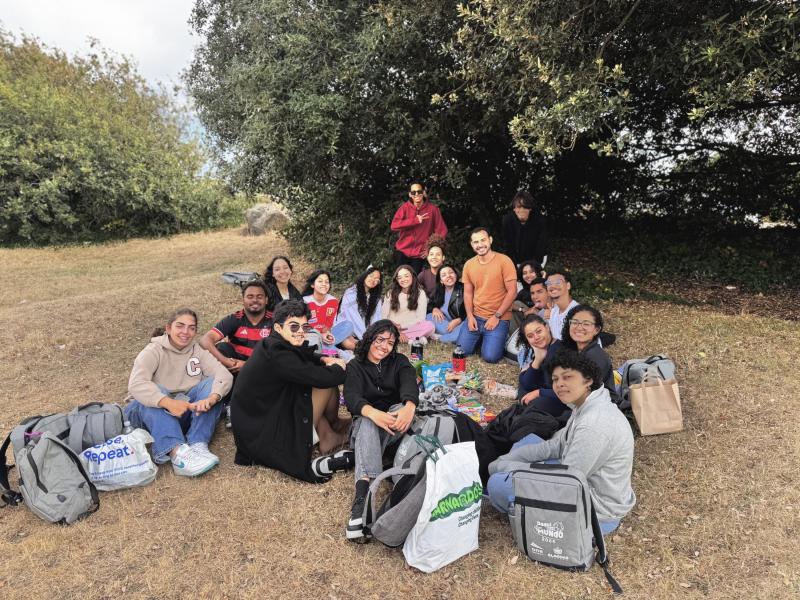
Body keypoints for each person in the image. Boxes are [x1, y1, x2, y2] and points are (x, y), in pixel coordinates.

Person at [487, 350, 635, 535]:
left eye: (567, 377)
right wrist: (507, 460)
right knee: (527, 442)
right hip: (578, 477)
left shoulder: (593, 425)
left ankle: (518, 502)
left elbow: (566, 482)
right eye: (555, 379)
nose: (560, 384)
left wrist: (509, 467)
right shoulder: (585, 404)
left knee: (498, 485)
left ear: (588, 380)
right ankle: (511, 481)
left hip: (596, 511)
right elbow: (556, 446)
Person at [230, 300, 352, 483]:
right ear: (278, 328)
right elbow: (322, 377)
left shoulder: (273, 344)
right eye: (294, 326)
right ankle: (330, 432)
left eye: (305, 326)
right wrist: (341, 366)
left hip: (262, 417)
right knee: (324, 383)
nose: (301, 331)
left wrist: (324, 359)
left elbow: (304, 355)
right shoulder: (278, 353)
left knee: (315, 381)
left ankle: (331, 429)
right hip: (263, 431)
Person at [124, 308, 233, 477]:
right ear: (168, 328)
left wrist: (212, 398)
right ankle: (177, 454)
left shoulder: (197, 351)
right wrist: (168, 402)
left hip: (182, 411)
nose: (185, 332)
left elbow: (223, 375)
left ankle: (197, 444)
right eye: (180, 326)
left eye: (191, 328)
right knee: (158, 390)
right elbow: (136, 384)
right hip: (148, 415)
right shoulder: (153, 350)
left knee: (214, 385)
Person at [342, 320, 419, 541]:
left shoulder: (399, 361)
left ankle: (353, 459)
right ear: (370, 339)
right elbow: (351, 398)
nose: (384, 346)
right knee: (367, 421)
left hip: (394, 429)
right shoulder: (355, 366)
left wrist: (409, 407)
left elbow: (409, 382)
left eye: (390, 343)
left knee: (399, 410)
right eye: (380, 340)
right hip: (364, 428)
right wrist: (373, 413)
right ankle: (362, 501)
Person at [200, 279, 273, 427]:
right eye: (250, 296)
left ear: (266, 300)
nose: (255, 300)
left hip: (261, 368)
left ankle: (239, 405)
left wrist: (247, 365)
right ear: (243, 299)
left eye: (259, 296)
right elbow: (205, 340)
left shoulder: (275, 320)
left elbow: (280, 353)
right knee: (222, 348)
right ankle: (230, 406)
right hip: (234, 368)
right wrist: (226, 361)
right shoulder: (235, 319)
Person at [457, 227, 518, 363]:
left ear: (490, 240)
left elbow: (512, 291)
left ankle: (495, 338)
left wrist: (496, 316)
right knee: (461, 351)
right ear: (472, 244)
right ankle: (483, 339)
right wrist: (470, 316)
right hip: (476, 316)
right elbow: (468, 293)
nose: (480, 245)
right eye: (476, 242)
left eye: (483, 240)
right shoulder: (469, 264)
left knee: (491, 357)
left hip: (499, 317)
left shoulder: (504, 261)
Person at [560, 304, 620, 403]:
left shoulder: (595, 357)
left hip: (598, 406)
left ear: (597, 330)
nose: (579, 327)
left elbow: (582, 392)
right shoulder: (573, 351)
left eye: (586, 324)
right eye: (575, 322)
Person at [514, 315, 568, 419]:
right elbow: (526, 383)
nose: (536, 337)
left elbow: (568, 389)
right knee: (524, 383)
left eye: (539, 331)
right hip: (546, 390)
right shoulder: (540, 349)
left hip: (563, 398)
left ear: (547, 327)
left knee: (536, 404)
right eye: (530, 336)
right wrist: (538, 359)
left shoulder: (561, 351)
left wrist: (539, 392)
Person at [390, 181, 448, 273]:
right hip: (402, 251)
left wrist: (430, 248)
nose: (416, 194)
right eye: (413, 192)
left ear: (423, 192)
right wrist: (415, 220)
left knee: (415, 279)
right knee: (399, 277)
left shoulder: (433, 209)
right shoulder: (404, 208)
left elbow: (442, 230)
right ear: (410, 194)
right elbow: (394, 225)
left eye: (419, 191)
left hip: (419, 253)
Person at [301, 269, 355, 353]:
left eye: (327, 282)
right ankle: (341, 353)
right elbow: (302, 326)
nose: (324, 284)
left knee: (348, 325)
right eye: (320, 281)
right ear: (312, 285)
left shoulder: (333, 301)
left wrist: (327, 334)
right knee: (314, 340)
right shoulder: (305, 301)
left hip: (326, 334)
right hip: (311, 335)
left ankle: (325, 347)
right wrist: (320, 335)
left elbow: (330, 323)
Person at [381, 265, 435, 344]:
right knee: (382, 330)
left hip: (411, 327)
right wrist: (395, 328)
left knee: (430, 326)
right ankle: (414, 338)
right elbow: (383, 316)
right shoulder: (390, 293)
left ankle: (399, 337)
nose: (403, 279)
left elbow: (421, 318)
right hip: (392, 327)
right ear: (397, 280)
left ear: (412, 276)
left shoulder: (420, 293)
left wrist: (401, 326)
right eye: (400, 277)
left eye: (406, 276)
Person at [335, 265, 383, 349]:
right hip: (347, 328)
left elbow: (376, 319)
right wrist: (365, 338)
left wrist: (373, 334)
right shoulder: (351, 293)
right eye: (371, 276)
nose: (373, 280)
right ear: (365, 275)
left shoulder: (376, 299)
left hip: (365, 333)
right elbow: (353, 318)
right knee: (349, 343)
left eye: (377, 279)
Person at [501, 190, 548, 267]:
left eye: (525, 207)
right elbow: (508, 246)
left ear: (530, 209)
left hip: (537, 258)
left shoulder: (540, 221)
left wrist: (533, 266)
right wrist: (513, 266)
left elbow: (541, 246)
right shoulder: (507, 220)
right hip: (515, 259)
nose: (522, 210)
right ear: (514, 208)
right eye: (519, 207)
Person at [425, 263, 466, 344]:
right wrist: (434, 308)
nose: (448, 276)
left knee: (461, 333)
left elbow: (472, 309)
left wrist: (459, 320)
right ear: (441, 281)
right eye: (444, 275)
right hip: (445, 323)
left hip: (461, 323)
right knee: (429, 316)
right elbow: (430, 304)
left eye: (451, 272)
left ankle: (439, 338)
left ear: (456, 275)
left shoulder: (464, 288)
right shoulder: (439, 290)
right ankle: (452, 335)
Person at [510, 262, 545, 333]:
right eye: (525, 273)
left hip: (545, 318)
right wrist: (523, 310)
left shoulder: (546, 286)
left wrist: (543, 279)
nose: (528, 275)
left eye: (531, 272)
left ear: (538, 272)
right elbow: (509, 305)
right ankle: (517, 336)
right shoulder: (523, 292)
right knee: (514, 306)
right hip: (529, 320)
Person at [545, 271, 578, 341]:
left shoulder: (578, 313)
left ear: (568, 285)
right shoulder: (553, 312)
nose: (553, 286)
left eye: (558, 282)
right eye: (549, 283)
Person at [417, 235, 446, 299]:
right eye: (431, 254)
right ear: (427, 257)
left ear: (443, 257)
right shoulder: (423, 275)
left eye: (438, 254)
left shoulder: (450, 274)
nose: (434, 257)